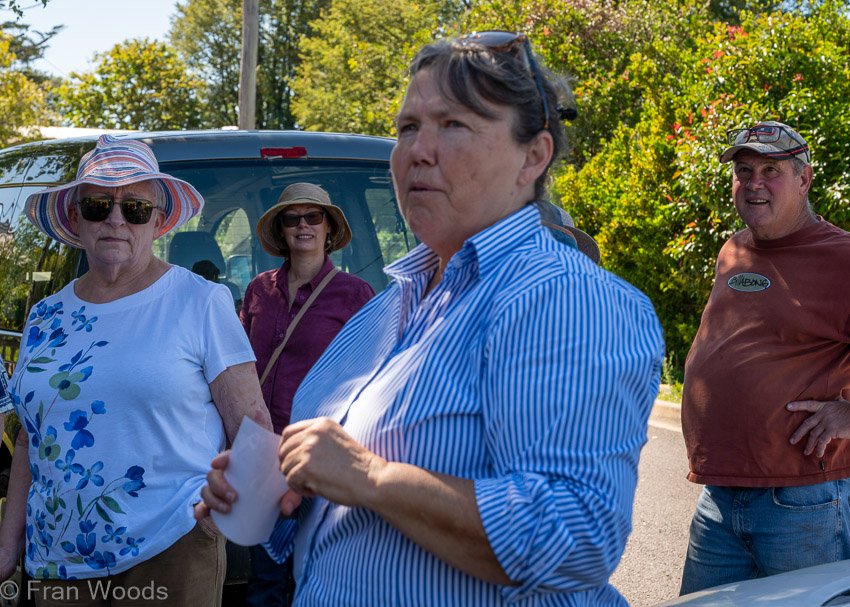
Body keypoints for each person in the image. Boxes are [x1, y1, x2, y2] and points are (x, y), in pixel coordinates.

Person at [197, 31, 664, 605]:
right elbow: (348, 494)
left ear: (533, 156)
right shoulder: (394, 302)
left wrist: (371, 479)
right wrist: (276, 488)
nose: (417, 149)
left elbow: (575, 541)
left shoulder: (562, 296)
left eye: (454, 125)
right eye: (407, 127)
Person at [0, 135, 272, 606]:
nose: (115, 220)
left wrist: (225, 523)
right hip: (58, 560)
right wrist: (8, 543)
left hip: (170, 550)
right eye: (99, 205)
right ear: (74, 218)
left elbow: (253, 424)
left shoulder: (199, 301)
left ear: (159, 221)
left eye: (135, 209)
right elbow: (30, 437)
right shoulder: (46, 316)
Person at [679, 121, 850, 594]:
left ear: (804, 179)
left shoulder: (842, 259)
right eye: (744, 170)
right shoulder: (734, 249)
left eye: (770, 170)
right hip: (719, 495)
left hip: (802, 503)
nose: (754, 182)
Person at [240, 182, 374, 606]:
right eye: (291, 218)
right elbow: (241, 367)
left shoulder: (355, 295)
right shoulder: (259, 289)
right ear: (280, 230)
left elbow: (368, 379)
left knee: (316, 574)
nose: (303, 226)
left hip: (319, 452)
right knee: (264, 580)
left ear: (328, 228)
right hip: (261, 450)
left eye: (313, 217)